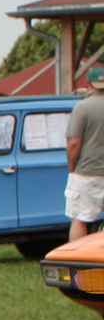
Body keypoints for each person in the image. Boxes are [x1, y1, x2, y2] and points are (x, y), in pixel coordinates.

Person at [62, 63, 104, 244]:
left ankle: (79, 269)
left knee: (80, 219)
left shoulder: (82, 107)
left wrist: (72, 167)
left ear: (88, 83)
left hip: (87, 172)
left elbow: (74, 142)